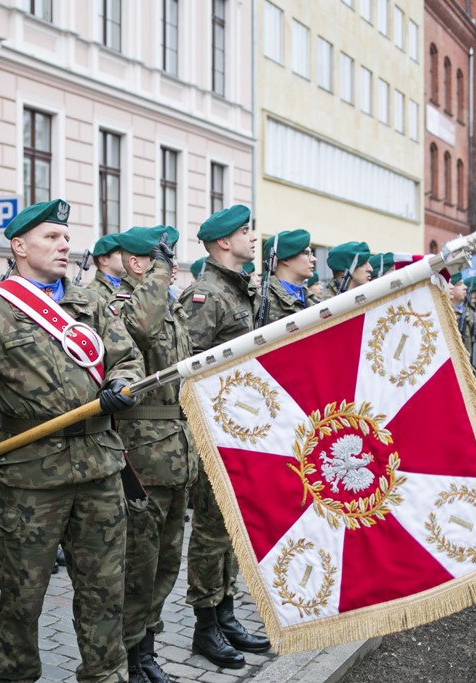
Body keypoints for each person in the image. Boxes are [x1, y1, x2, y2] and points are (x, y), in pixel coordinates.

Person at [0, 199, 144, 682]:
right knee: (21, 596)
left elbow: (126, 356)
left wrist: (121, 384)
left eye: (66, 237)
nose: (63, 245)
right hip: (32, 474)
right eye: (51, 237)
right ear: (19, 246)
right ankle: (14, 676)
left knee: (104, 589)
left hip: (100, 468)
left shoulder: (89, 300)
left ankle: (105, 674)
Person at [179, 205, 270, 669]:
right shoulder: (205, 296)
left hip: (240, 427)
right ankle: (205, 624)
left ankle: (226, 613)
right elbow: (187, 370)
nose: (251, 238)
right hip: (212, 429)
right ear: (222, 244)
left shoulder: (239, 290)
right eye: (243, 232)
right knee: (212, 532)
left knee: (233, 529)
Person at [111, 226, 196, 683]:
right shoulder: (123, 304)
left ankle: (147, 646)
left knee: (165, 563)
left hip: (175, 453)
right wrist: (160, 277)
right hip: (144, 455)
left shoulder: (167, 303)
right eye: (159, 259)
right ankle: (127, 654)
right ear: (137, 263)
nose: (171, 266)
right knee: (138, 567)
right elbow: (139, 329)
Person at [261, 229, 318, 321]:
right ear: (285, 259)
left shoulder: (309, 297)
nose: (314, 259)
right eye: (306, 253)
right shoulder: (263, 299)